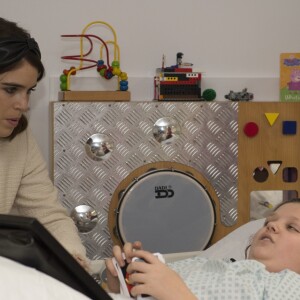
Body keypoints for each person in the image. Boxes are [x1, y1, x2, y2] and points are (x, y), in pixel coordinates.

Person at [0, 17, 89, 271]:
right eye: (11, 89)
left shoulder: (20, 140)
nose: (24, 105)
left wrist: (71, 261)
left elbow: (48, 215)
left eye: (29, 91)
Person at [106, 198, 300, 299]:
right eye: (268, 221)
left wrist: (178, 295)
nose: (271, 226)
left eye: (292, 227)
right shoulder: (205, 264)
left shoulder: (289, 285)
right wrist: (123, 283)